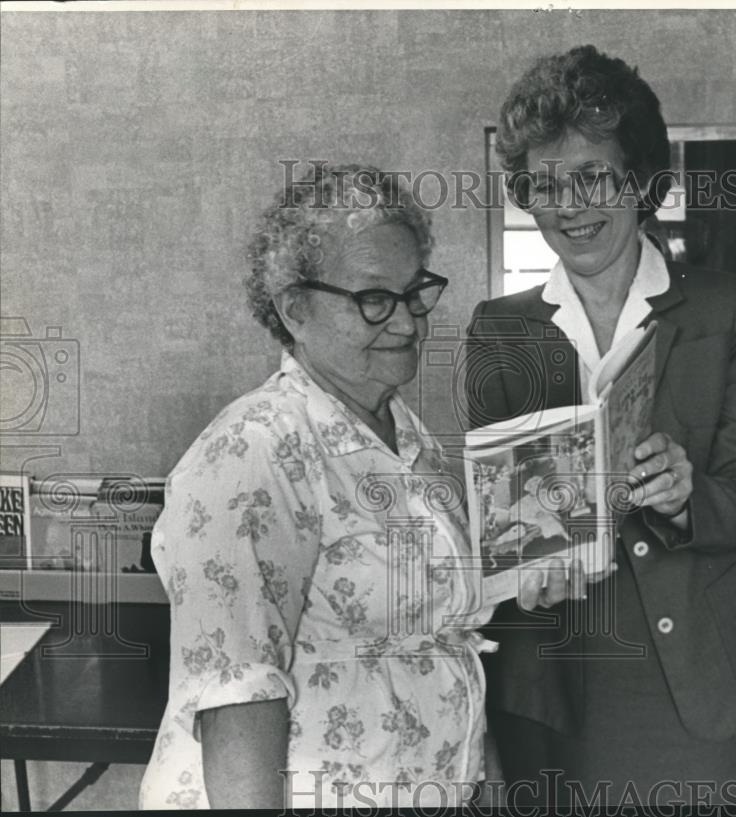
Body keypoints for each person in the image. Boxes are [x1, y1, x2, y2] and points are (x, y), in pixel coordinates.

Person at [138, 165, 577, 811]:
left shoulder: (408, 438)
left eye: (415, 291)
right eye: (374, 298)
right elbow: (237, 696)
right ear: (296, 309)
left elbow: (444, 638)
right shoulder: (253, 452)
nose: (407, 322)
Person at [465, 46, 736, 808]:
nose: (570, 205)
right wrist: (522, 563)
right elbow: (499, 513)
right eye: (545, 184)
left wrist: (688, 496)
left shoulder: (728, 310)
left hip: (700, 678)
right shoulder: (499, 330)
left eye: (593, 175)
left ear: (642, 179)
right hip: (552, 675)